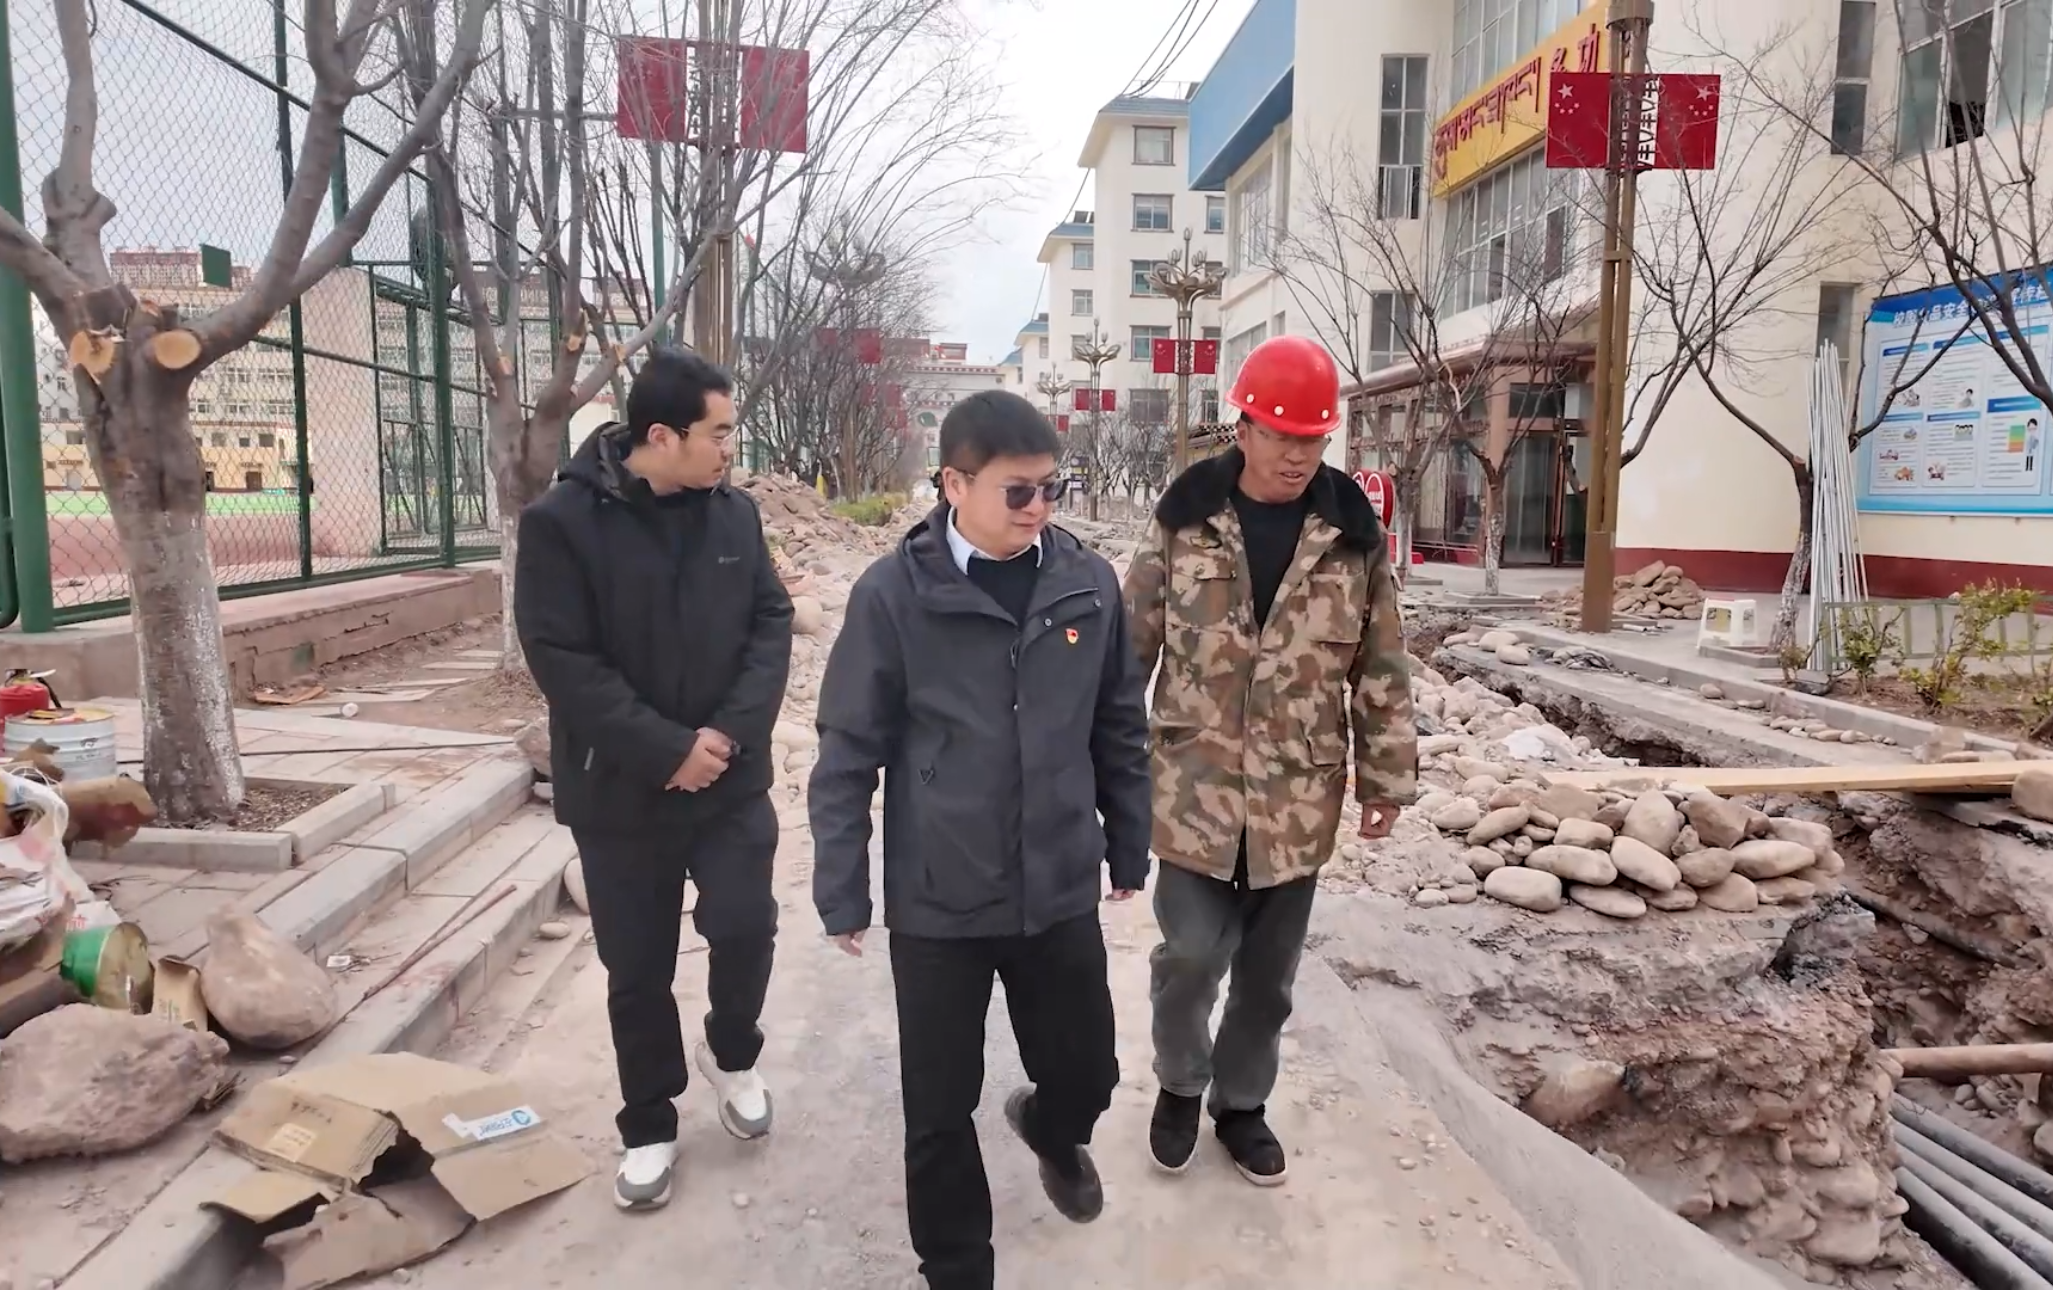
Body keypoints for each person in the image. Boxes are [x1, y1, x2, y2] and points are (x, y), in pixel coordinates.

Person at [810, 389, 1152, 1290]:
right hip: (940, 897)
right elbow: (847, 751)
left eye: (1052, 488)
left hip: (1057, 883)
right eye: (1019, 491)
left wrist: (1129, 838)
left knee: (1089, 1073)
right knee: (938, 1109)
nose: (1040, 508)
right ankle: (956, 1268)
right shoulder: (894, 596)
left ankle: (1051, 1126)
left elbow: (1119, 722)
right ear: (954, 485)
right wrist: (842, 886)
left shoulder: (1086, 583)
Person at [1122, 334, 1417, 1185]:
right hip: (1195, 788)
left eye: (1314, 439)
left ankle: (1241, 1106)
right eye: (1283, 436)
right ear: (1243, 428)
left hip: (1298, 795)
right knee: (1189, 959)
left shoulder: (1352, 537)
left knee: (1267, 979)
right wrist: (1098, 771)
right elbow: (1126, 652)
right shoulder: (1183, 522)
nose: (1298, 455)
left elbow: (1381, 664)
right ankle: (1180, 1084)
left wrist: (1386, 778)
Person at [512, 347, 793, 1212]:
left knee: (745, 924)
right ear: (662, 436)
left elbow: (771, 622)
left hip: (728, 780)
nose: (730, 449)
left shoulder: (735, 517)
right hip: (619, 790)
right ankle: (648, 1122)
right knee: (636, 969)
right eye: (720, 433)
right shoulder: (561, 524)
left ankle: (732, 1051)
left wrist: (726, 736)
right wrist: (665, 749)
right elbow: (561, 658)